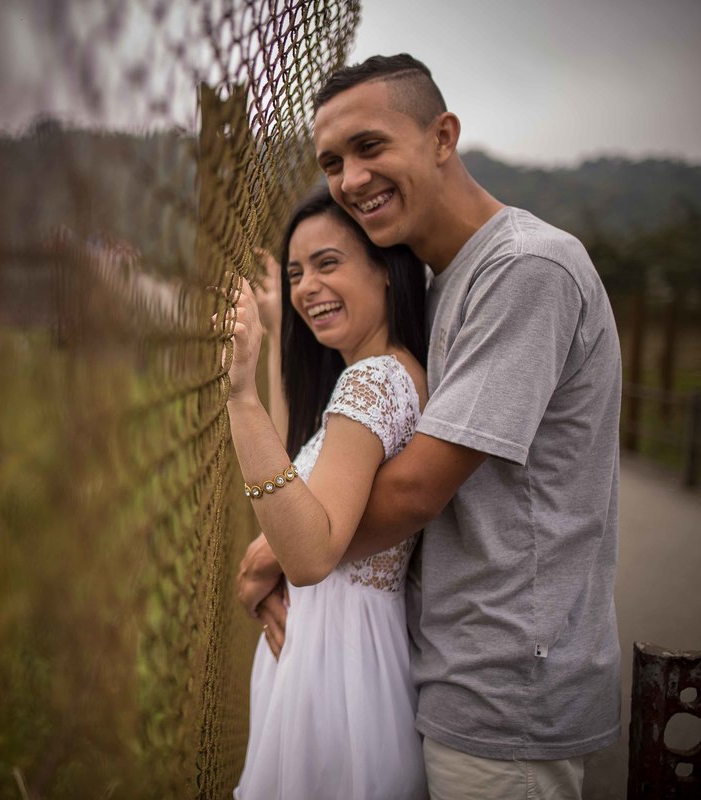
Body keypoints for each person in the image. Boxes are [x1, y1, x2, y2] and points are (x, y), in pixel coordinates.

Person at [237, 54, 622, 799]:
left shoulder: (527, 269)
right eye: (331, 162)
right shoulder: (443, 286)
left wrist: (282, 548)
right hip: (445, 668)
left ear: (442, 136)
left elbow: (414, 490)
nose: (351, 178)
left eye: (370, 146)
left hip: (507, 687)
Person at [223, 187, 429, 799]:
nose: (308, 286)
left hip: (337, 669)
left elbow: (308, 554)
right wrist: (276, 332)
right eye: (296, 273)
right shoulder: (382, 376)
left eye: (327, 263)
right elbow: (296, 471)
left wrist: (240, 395)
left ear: (385, 268)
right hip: (347, 655)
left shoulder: (371, 382)